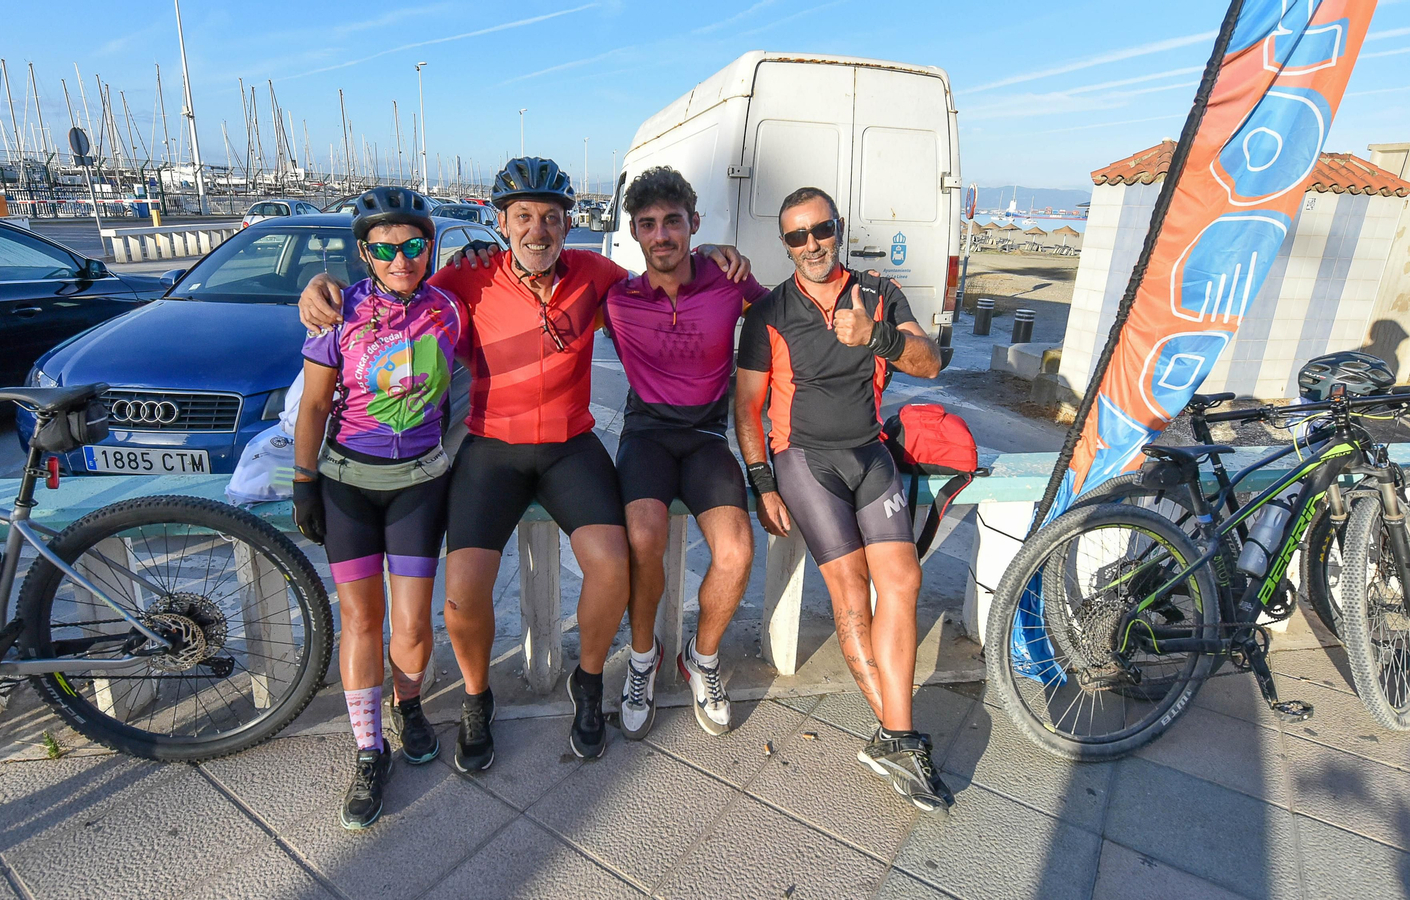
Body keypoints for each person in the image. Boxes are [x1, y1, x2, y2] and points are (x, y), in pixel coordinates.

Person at [299, 159, 748, 767]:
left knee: (612, 569)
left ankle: (587, 684)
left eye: (551, 218)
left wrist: (715, 250)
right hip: (491, 447)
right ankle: (477, 698)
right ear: (501, 224)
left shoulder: (594, 273)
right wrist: (317, 288)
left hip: (570, 445)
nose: (538, 230)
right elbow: (386, 292)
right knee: (461, 596)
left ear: (568, 224)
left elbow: (662, 271)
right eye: (524, 218)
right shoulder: (465, 278)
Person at [733, 186, 953, 815]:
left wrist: (875, 337)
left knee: (903, 580)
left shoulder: (878, 294)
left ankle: (894, 737)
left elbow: (931, 362)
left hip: (870, 452)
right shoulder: (769, 313)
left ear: (839, 228)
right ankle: (901, 734)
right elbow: (746, 405)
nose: (811, 245)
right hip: (803, 459)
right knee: (851, 588)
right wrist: (761, 480)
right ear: (785, 245)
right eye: (796, 237)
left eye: (820, 230)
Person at [291, 186, 465, 830]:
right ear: (364, 252)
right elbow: (313, 405)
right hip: (346, 484)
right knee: (363, 621)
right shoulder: (337, 312)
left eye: (415, 245)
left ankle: (409, 704)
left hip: (418, 482)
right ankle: (369, 748)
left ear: (431, 246)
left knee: (414, 625)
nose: (402, 260)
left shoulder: (450, 308)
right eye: (386, 248)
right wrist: (303, 480)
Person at [603, 167, 767, 739]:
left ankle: (701, 656)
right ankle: (643, 660)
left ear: (694, 225)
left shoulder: (730, 282)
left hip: (705, 437)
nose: (662, 235)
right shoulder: (617, 298)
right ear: (634, 233)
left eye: (673, 221)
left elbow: (793, 318)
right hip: (646, 435)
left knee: (737, 552)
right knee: (644, 538)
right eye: (648, 225)